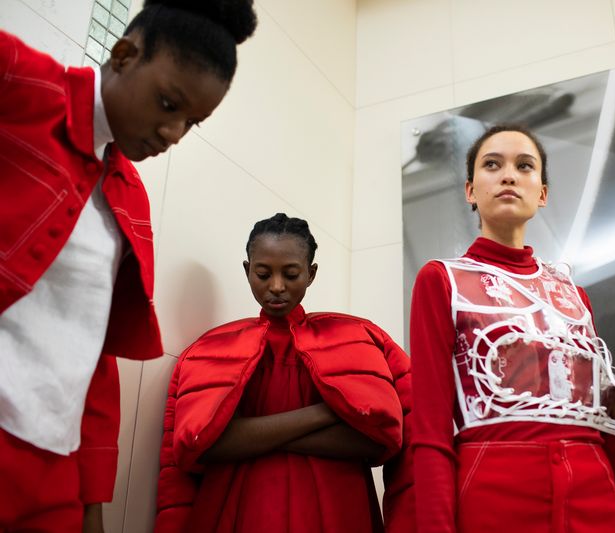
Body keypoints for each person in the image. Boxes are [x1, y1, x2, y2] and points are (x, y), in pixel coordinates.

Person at [0, 1, 257, 531]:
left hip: (51, 470)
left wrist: (91, 503)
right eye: (168, 104)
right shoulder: (24, 85)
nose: (173, 134)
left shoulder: (129, 197)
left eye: (192, 122)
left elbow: (91, 354)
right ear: (124, 55)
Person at [409, 124, 615, 533]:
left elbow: (602, 425)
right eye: (492, 165)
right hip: (495, 494)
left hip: (595, 491)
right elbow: (431, 432)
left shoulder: (572, 294)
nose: (509, 175)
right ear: (469, 191)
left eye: (525, 166)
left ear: (543, 193)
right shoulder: (441, 279)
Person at [154, 214, 414, 533]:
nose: (276, 287)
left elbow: (377, 441)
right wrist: (328, 412)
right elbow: (200, 445)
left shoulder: (357, 337)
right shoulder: (211, 349)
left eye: (291, 274)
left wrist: (251, 436)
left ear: (311, 273)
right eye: (263, 274)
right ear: (247, 270)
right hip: (243, 510)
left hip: (336, 510)